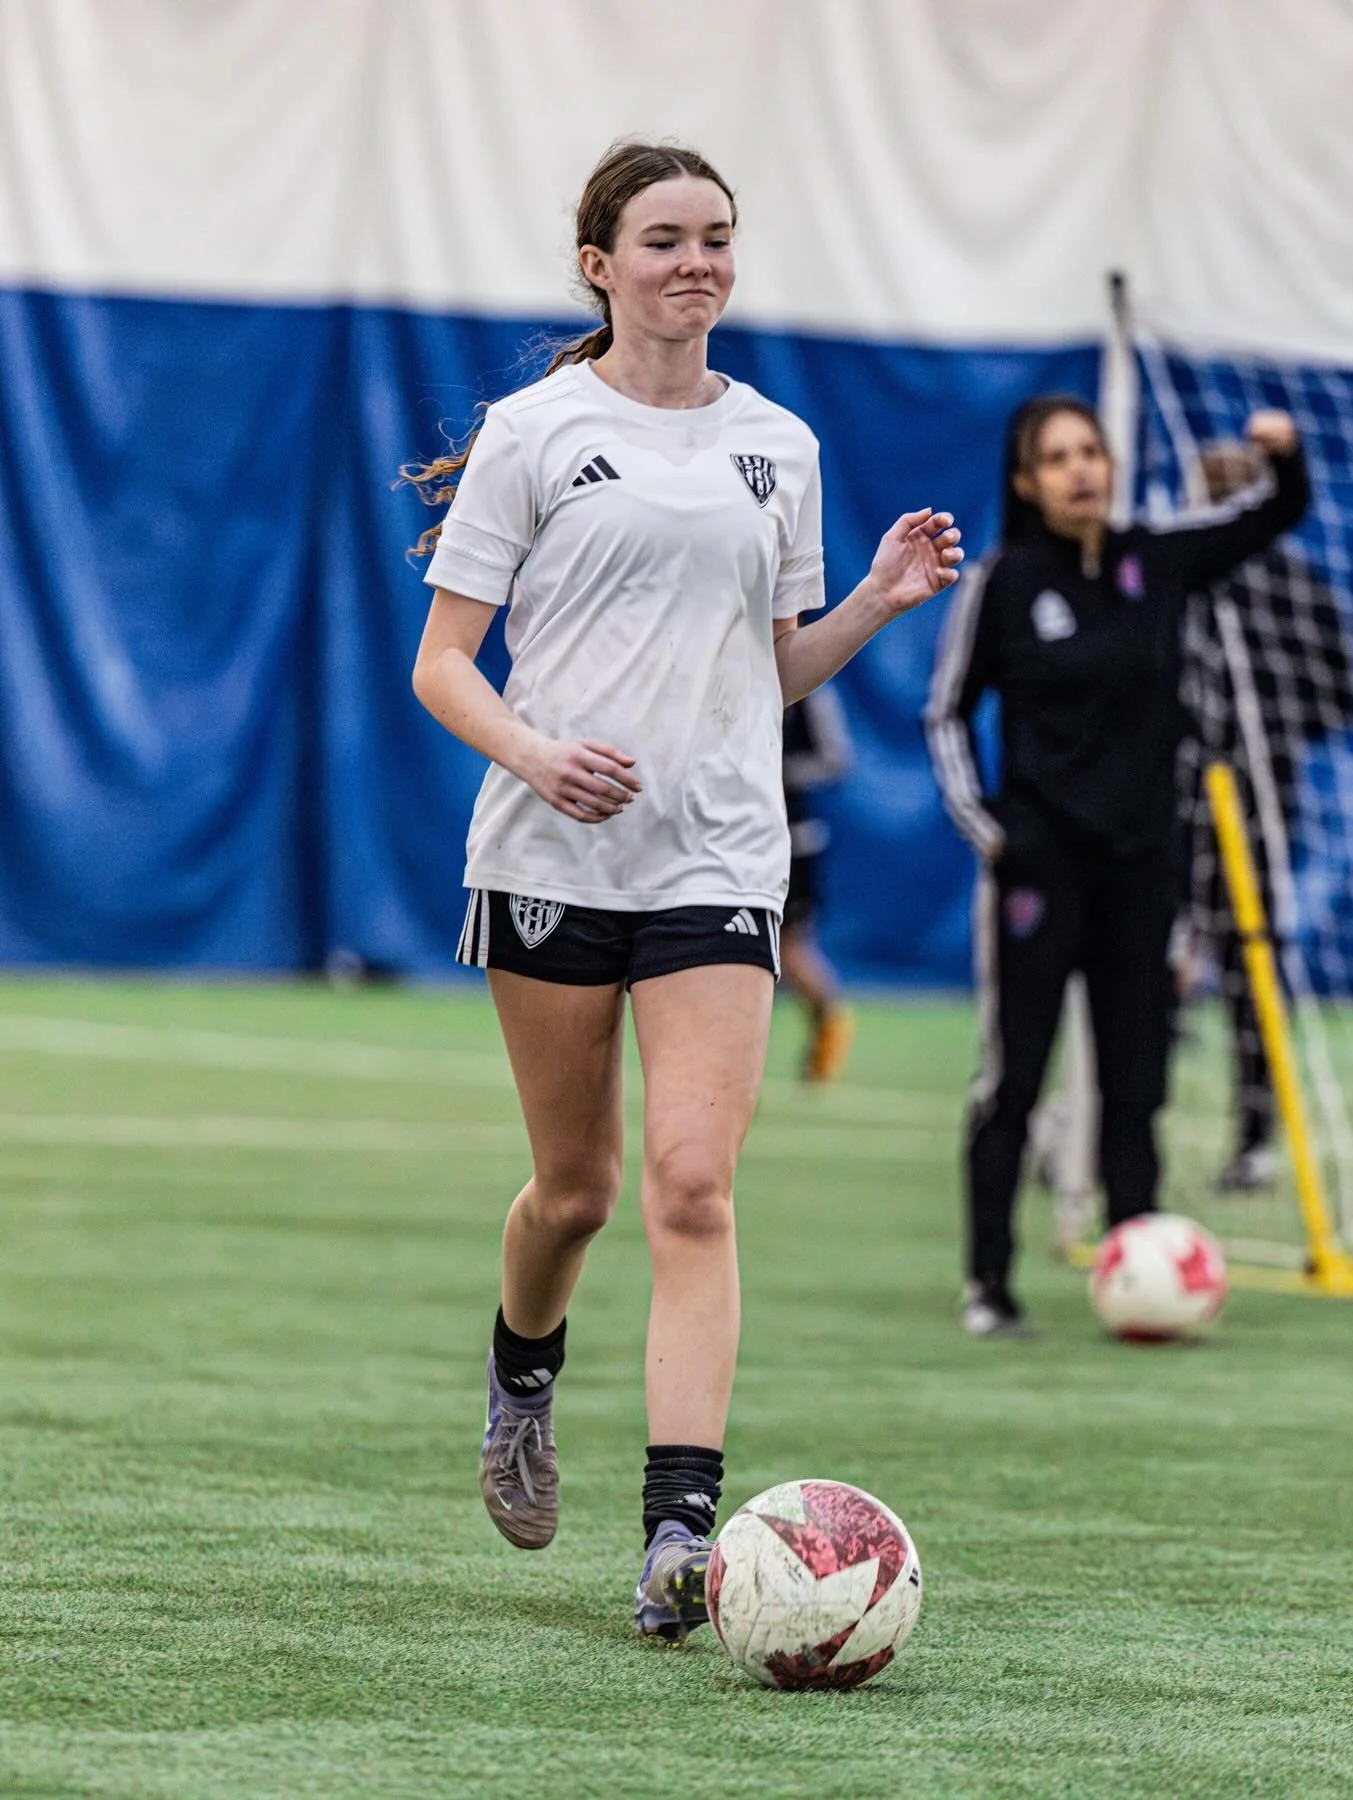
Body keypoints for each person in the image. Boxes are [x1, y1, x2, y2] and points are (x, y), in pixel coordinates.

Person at [405, 140, 961, 1638]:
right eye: (662, 239)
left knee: (694, 1185)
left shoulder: (778, 441)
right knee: (577, 1192)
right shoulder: (534, 432)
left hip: (720, 854)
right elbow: (442, 662)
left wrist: (873, 604)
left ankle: (679, 1533)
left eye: (716, 236)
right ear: (599, 263)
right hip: (548, 852)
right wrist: (534, 751)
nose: (694, 261)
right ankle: (523, 1378)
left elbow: (768, 670)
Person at [924, 394, 1309, 1336]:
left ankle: (1136, 1263)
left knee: (1137, 1085)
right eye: (1056, 458)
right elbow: (945, 714)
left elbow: (1271, 514)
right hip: (1039, 874)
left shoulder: (1157, 559)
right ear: (1026, 481)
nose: (1080, 470)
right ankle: (989, 1284)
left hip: (1145, 870)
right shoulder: (1006, 580)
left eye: (1091, 451)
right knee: (1015, 1079)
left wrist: (1285, 458)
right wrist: (993, 830)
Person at [1178, 440, 1353, 1192]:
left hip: (1246, 804)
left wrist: (1263, 732)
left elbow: (1335, 699)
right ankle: (1095, 1126)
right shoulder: (1167, 577)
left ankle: (1252, 1135)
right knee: (1164, 959)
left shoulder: (1286, 585)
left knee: (1244, 961)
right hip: (1169, 799)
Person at [780, 687, 855, 1080]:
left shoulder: (811, 692)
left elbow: (835, 757)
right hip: (739, 836)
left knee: (790, 945)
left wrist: (773, 767)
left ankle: (830, 1018)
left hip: (793, 838)